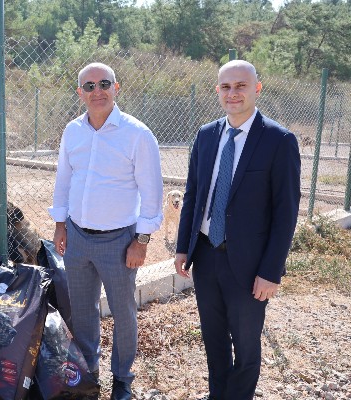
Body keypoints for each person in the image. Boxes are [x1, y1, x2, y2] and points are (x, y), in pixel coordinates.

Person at [174, 60, 301, 399]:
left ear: (256, 89)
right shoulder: (206, 135)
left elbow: (285, 214)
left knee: (245, 345)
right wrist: (183, 247)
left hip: (250, 264)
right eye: (226, 87)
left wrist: (271, 271)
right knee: (213, 338)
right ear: (218, 90)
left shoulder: (279, 140)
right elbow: (193, 193)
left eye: (241, 86)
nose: (233, 93)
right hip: (205, 254)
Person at [48, 62, 164, 400]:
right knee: (83, 312)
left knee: (124, 313)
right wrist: (60, 225)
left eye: (104, 83)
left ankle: (123, 379)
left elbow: (152, 195)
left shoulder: (137, 134)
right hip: (77, 237)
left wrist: (141, 241)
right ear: (79, 92)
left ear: (117, 88)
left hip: (119, 241)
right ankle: (89, 374)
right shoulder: (72, 131)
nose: (96, 91)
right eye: (88, 86)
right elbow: (64, 181)